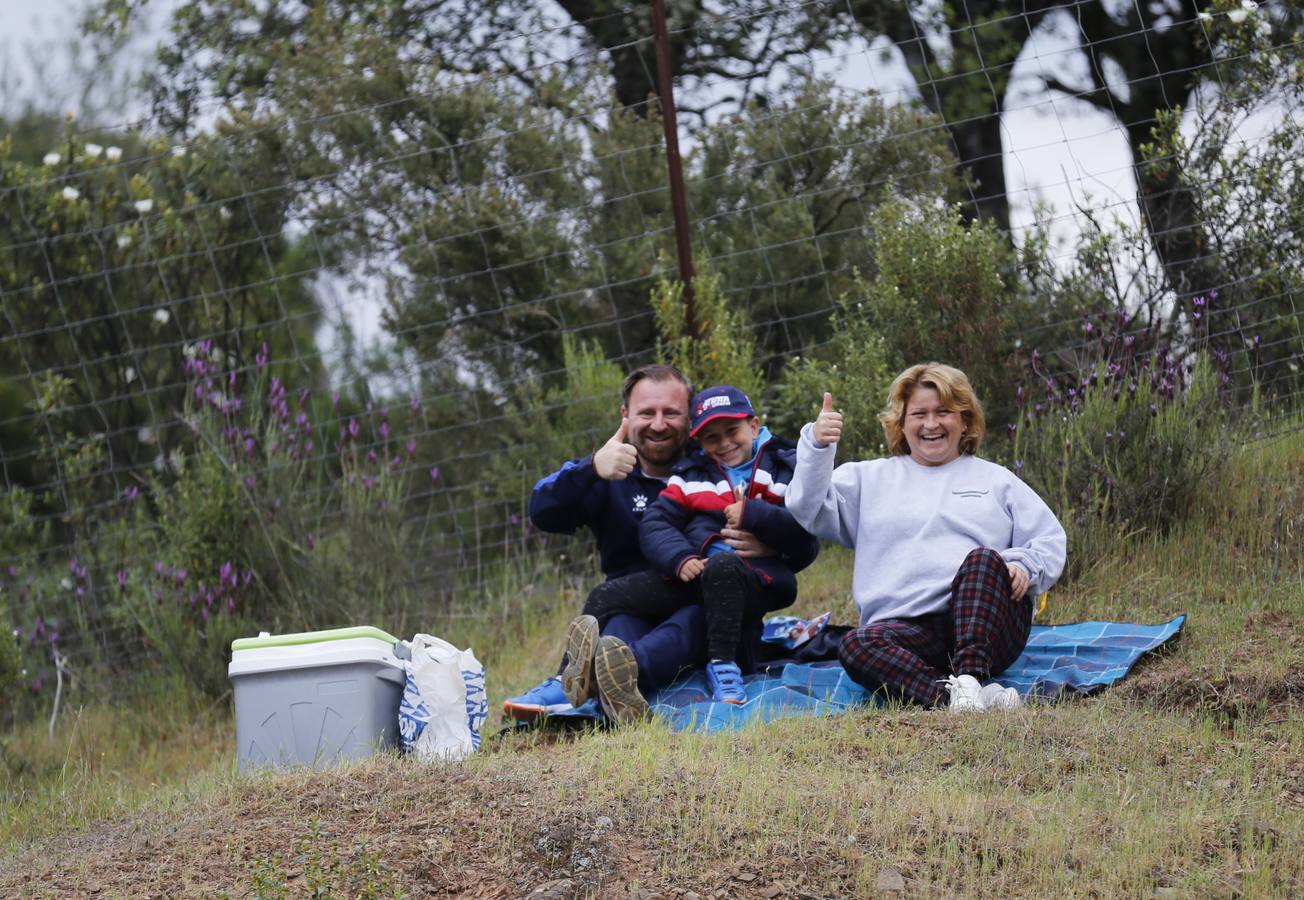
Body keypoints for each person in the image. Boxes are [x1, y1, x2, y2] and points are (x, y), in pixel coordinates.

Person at [785, 362, 1067, 712]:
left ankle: (971, 677)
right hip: (907, 635)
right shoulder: (867, 478)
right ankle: (962, 697)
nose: (931, 424)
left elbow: (1050, 539)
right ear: (901, 423)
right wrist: (816, 446)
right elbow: (805, 507)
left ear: (964, 420)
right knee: (855, 645)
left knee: (982, 560)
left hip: (987, 622)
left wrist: (1026, 564)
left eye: (944, 412)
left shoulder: (997, 480)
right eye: (919, 413)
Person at [503, 365, 777, 724]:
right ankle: (577, 683)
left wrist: (769, 543)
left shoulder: (717, 463)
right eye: (647, 412)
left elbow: (794, 517)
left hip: (708, 604)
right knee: (611, 640)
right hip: (631, 605)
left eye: (671, 413)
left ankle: (601, 685)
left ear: (691, 417)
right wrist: (590, 468)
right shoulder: (608, 469)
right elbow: (541, 512)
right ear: (626, 416)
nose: (658, 424)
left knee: (691, 621)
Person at [570, 385, 819, 705]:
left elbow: (805, 532)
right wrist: (680, 557)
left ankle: (722, 668)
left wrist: (755, 515)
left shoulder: (783, 468)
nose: (725, 443)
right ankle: (570, 676)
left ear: (754, 426)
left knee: (722, 572)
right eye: (712, 438)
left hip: (754, 580)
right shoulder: (693, 474)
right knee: (605, 594)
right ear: (699, 442)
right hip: (696, 574)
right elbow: (656, 523)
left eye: (732, 431)